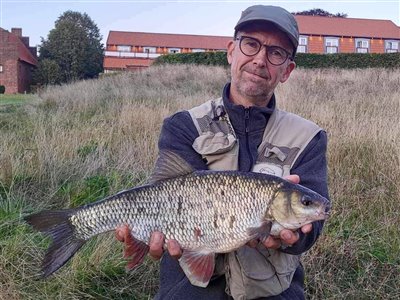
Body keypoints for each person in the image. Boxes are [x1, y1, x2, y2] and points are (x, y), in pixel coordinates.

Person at [116, 5, 329, 300]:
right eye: (251, 44)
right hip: (189, 287)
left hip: (273, 290)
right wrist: (145, 237)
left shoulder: (308, 137)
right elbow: (164, 191)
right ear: (231, 50)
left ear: (287, 70)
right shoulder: (184, 125)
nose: (259, 59)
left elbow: (312, 228)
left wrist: (292, 237)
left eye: (276, 52)